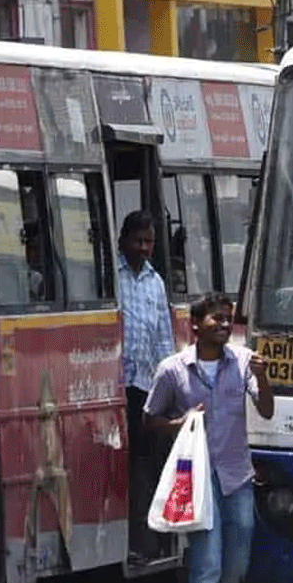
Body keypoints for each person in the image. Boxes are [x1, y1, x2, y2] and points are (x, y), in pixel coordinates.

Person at [145, 292, 274, 583]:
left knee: (236, 565)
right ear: (194, 326)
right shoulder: (173, 370)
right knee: (206, 566)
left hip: (236, 474)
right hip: (198, 481)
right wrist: (180, 421)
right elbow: (151, 419)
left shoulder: (244, 362)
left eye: (227, 319)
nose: (223, 324)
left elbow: (265, 409)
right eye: (215, 319)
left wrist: (263, 379)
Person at [118, 209, 175, 563]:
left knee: (144, 462)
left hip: (144, 386)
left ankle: (145, 540)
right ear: (123, 240)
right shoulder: (113, 277)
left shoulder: (155, 283)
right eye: (138, 241)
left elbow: (164, 343)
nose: (143, 248)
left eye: (149, 242)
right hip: (114, 386)